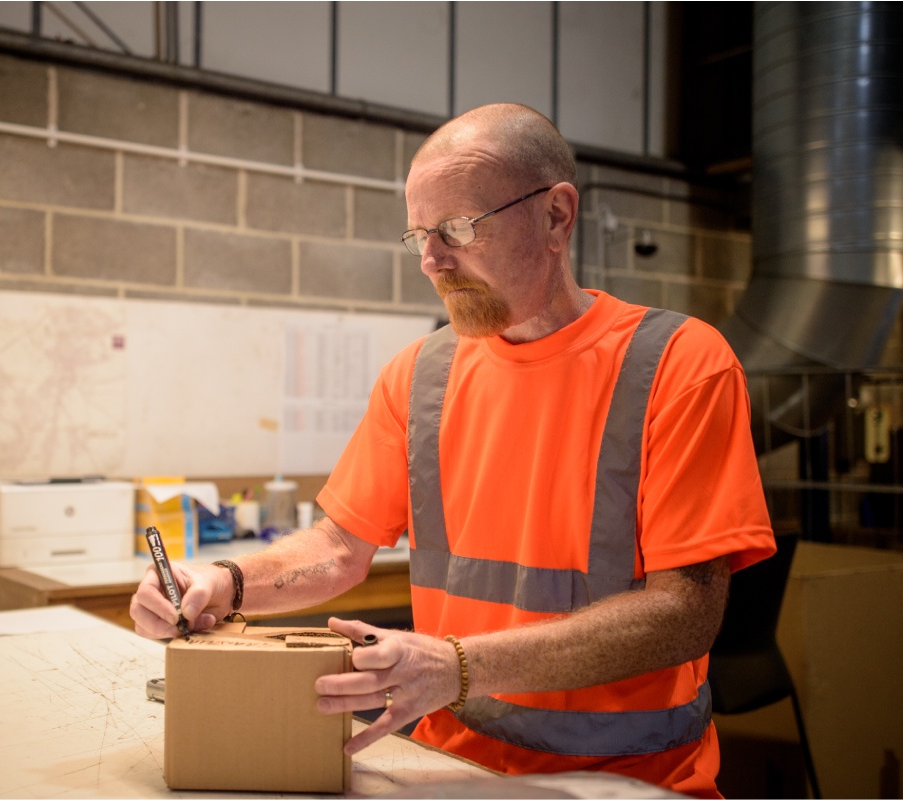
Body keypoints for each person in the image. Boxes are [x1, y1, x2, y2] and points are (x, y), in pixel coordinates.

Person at [130, 103, 775, 798]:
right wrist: (224, 582)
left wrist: (456, 666)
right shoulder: (421, 375)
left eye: (460, 229)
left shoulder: (678, 365)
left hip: (627, 780)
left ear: (557, 216)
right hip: (447, 770)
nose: (433, 261)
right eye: (418, 237)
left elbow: (685, 614)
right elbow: (340, 547)